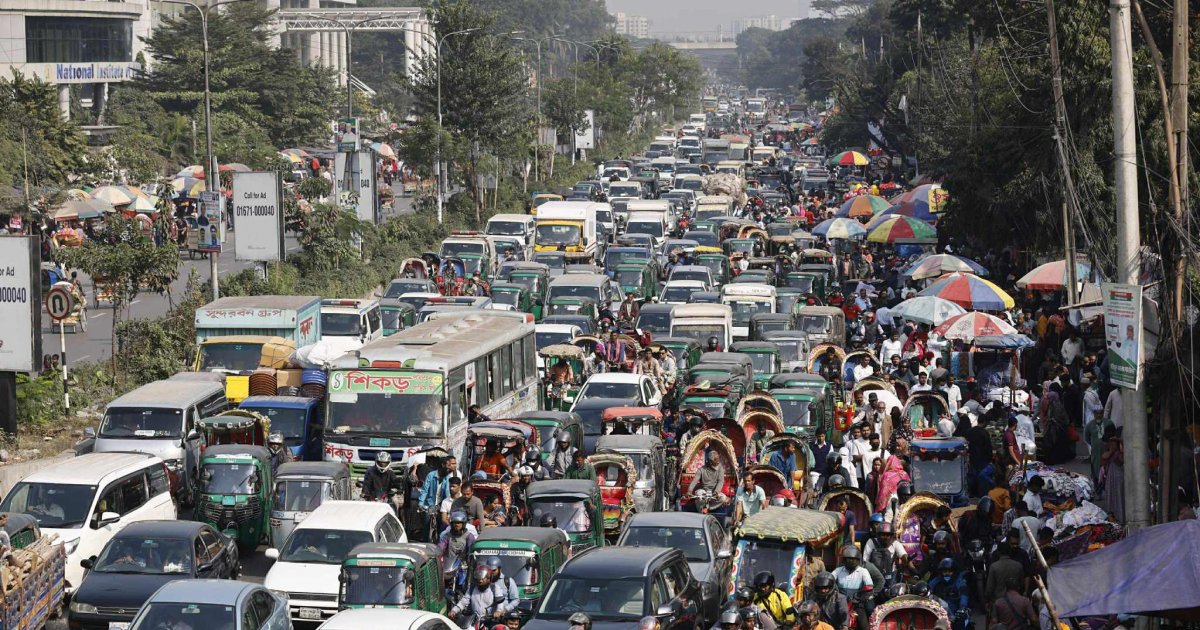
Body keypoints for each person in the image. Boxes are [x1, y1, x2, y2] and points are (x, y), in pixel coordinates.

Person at [928, 558, 969, 623]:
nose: (947, 573)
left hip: (956, 612)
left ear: (954, 572)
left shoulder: (959, 581)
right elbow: (927, 589)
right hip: (938, 612)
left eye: (950, 571)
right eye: (945, 571)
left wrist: (962, 607)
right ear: (941, 572)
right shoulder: (936, 581)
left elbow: (964, 596)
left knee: (964, 619)